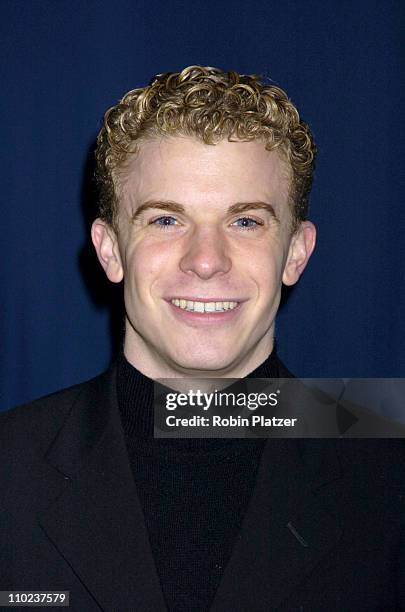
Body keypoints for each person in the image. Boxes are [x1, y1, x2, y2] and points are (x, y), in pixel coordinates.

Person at [1, 66, 404, 611]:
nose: (207, 261)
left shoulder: (388, 463)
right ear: (110, 250)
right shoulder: (9, 468)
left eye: (246, 222)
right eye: (166, 220)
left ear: (296, 253)